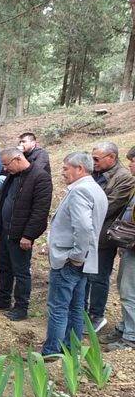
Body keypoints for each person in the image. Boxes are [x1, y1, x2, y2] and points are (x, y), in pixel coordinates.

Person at [41, 152, 108, 356]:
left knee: (59, 307)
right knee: (76, 307)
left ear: (80, 168)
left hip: (70, 260)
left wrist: (76, 256)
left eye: (65, 168)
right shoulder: (96, 189)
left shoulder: (80, 191)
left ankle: (52, 352)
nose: (62, 172)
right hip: (83, 260)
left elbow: (84, 228)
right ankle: (71, 348)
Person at [0, 148, 53, 321]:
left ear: (18, 159)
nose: (5, 169)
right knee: (4, 266)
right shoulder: (13, 176)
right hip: (6, 230)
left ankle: (21, 307)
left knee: (21, 271)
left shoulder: (40, 177)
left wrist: (29, 235)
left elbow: (40, 211)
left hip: (21, 235)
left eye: (7, 165)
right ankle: (3, 299)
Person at [83, 141, 135, 332]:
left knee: (99, 276)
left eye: (96, 159)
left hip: (105, 236)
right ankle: (84, 313)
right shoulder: (95, 173)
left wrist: (82, 209)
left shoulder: (124, 178)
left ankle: (96, 315)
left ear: (111, 158)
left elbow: (106, 206)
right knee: (87, 275)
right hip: (89, 232)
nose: (93, 162)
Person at [105, 146, 135, 350]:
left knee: (129, 290)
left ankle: (130, 337)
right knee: (123, 286)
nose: (130, 164)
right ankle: (125, 327)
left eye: (133, 161)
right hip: (129, 246)